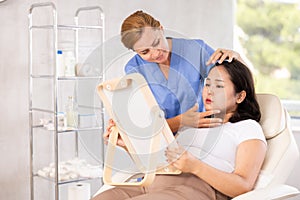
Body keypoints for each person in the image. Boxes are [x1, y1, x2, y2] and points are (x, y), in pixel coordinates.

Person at [93, 59, 267, 200]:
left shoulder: (247, 128)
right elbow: (157, 163)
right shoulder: (193, 123)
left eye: (219, 86)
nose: (210, 92)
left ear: (240, 96)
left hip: (192, 190)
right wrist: (127, 145)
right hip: (151, 183)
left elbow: (243, 186)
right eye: (207, 84)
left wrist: (195, 167)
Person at [106, 10, 245, 137]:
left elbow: (239, 82)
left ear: (161, 29)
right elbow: (144, 125)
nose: (155, 53)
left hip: (204, 132)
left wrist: (236, 57)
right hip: (163, 140)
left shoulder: (195, 50)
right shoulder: (134, 69)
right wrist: (181, 121)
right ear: (135, 52)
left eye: (156, 42)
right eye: (145, 52)